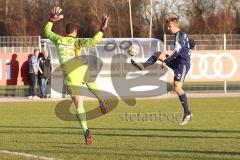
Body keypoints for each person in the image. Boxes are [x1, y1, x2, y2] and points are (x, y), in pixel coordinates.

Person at [44, 6, 109, 144]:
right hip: (80, 69)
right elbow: (94, 41)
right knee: (90, 81)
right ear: (76, 31)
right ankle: (101, 99)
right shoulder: (77, 41)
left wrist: (51, 20)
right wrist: (102, 29)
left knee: (79, 104)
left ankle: (86, 130)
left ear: (66, 32)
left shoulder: (58, 40)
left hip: (70, 74)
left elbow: (46, 31)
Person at [131, 16, 194, 125]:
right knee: (158, 54)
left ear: (175, 26)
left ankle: (187, 113)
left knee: (177, 88)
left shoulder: (180, 35)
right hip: (177, 61)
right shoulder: (181, 35)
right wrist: (188, 47)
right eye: (167, 26)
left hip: (182, 64)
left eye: (169, 26)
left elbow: (177, 51)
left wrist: (166, 61)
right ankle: (143, 66)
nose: (168, 28)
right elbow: (191, 44)